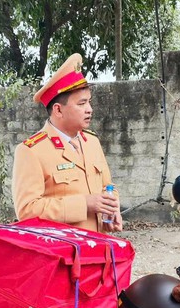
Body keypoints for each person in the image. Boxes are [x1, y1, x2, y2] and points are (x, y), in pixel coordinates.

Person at [12, 53, 122, 233]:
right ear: (58, 110)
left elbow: (107, 187)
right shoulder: (31, 151)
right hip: (63, 255)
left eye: (89, 102)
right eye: (82, 103)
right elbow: (27, 210)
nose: (89, 109)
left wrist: (112, 211)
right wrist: (84, 204)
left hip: (99, 248)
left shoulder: (91, 142)